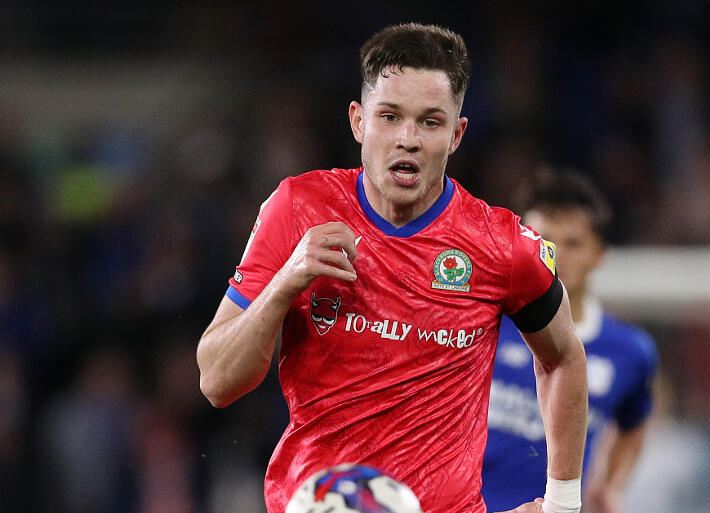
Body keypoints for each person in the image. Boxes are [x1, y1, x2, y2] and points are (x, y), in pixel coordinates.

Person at [196, 23, 587, 513]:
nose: (408, 139)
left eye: (430, 122)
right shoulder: (297, 208)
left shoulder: (501, 245)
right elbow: (217, 382)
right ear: (358, 122)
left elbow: (563, 357)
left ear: (457, 135)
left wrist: (562, 504)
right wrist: (284, 282)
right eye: (389, 116)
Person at [481, 169, 658, 513]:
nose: (556, 254)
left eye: (573, 243)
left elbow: (634, 425)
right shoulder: (485, 321)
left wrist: (611, 486)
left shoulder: (631, 352)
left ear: (599, 255)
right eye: (544, 239)